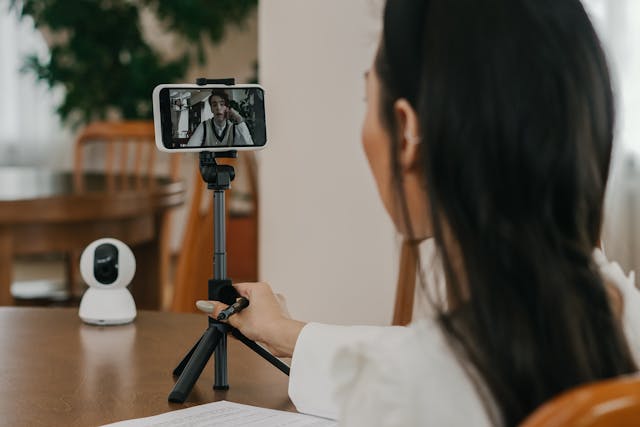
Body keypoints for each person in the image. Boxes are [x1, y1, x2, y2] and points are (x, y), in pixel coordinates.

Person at [195, 0, 640, 425]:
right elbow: (425, 352)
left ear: (408, 132)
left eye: (368, 96)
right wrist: (287, 332)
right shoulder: (625, 316)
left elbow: (420, 367)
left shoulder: (407, 395)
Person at [186, 89, 253, 147]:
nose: (218, 108)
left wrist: (239, 118)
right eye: (214, 105)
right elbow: (190, 148)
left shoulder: (233, 127)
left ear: (227, 108)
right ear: (211, 109)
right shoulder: (204, 126)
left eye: (222, 104)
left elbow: (249, 147)